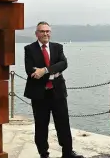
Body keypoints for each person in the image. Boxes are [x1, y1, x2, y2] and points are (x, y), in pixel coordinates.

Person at [23, 21, 84, 158]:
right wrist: (53, 72)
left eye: (47, 31)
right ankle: (43, 154)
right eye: (42, 31)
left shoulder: (57, 47)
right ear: (37, 33)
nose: (45, 33)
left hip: (58, 92)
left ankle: (67, 153)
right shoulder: (29, 49)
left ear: (50, 33)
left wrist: (44, 70)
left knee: (63, 124)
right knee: (41, 126)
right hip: (40, 94)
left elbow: (64, 64)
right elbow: (30, 70)